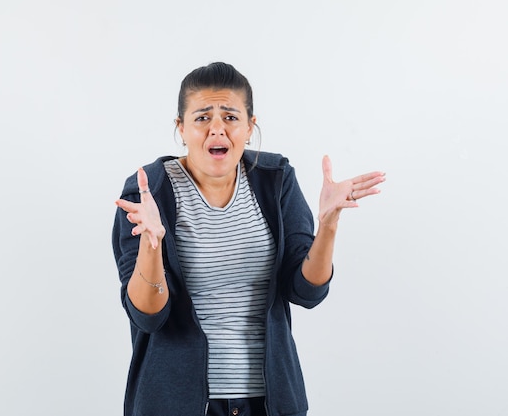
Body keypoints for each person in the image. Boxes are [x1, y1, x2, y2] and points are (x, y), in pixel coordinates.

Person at [112, 62, 385, 416]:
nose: (217, 129)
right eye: (202, 118)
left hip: (270, 402)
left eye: (229, 117)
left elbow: (307, 291)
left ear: (249, 126)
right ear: (180, 128)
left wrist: (328, 224)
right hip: (174, 402)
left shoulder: (275, 180)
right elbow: (148, 315)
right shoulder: (150, 191)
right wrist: (152, 244)